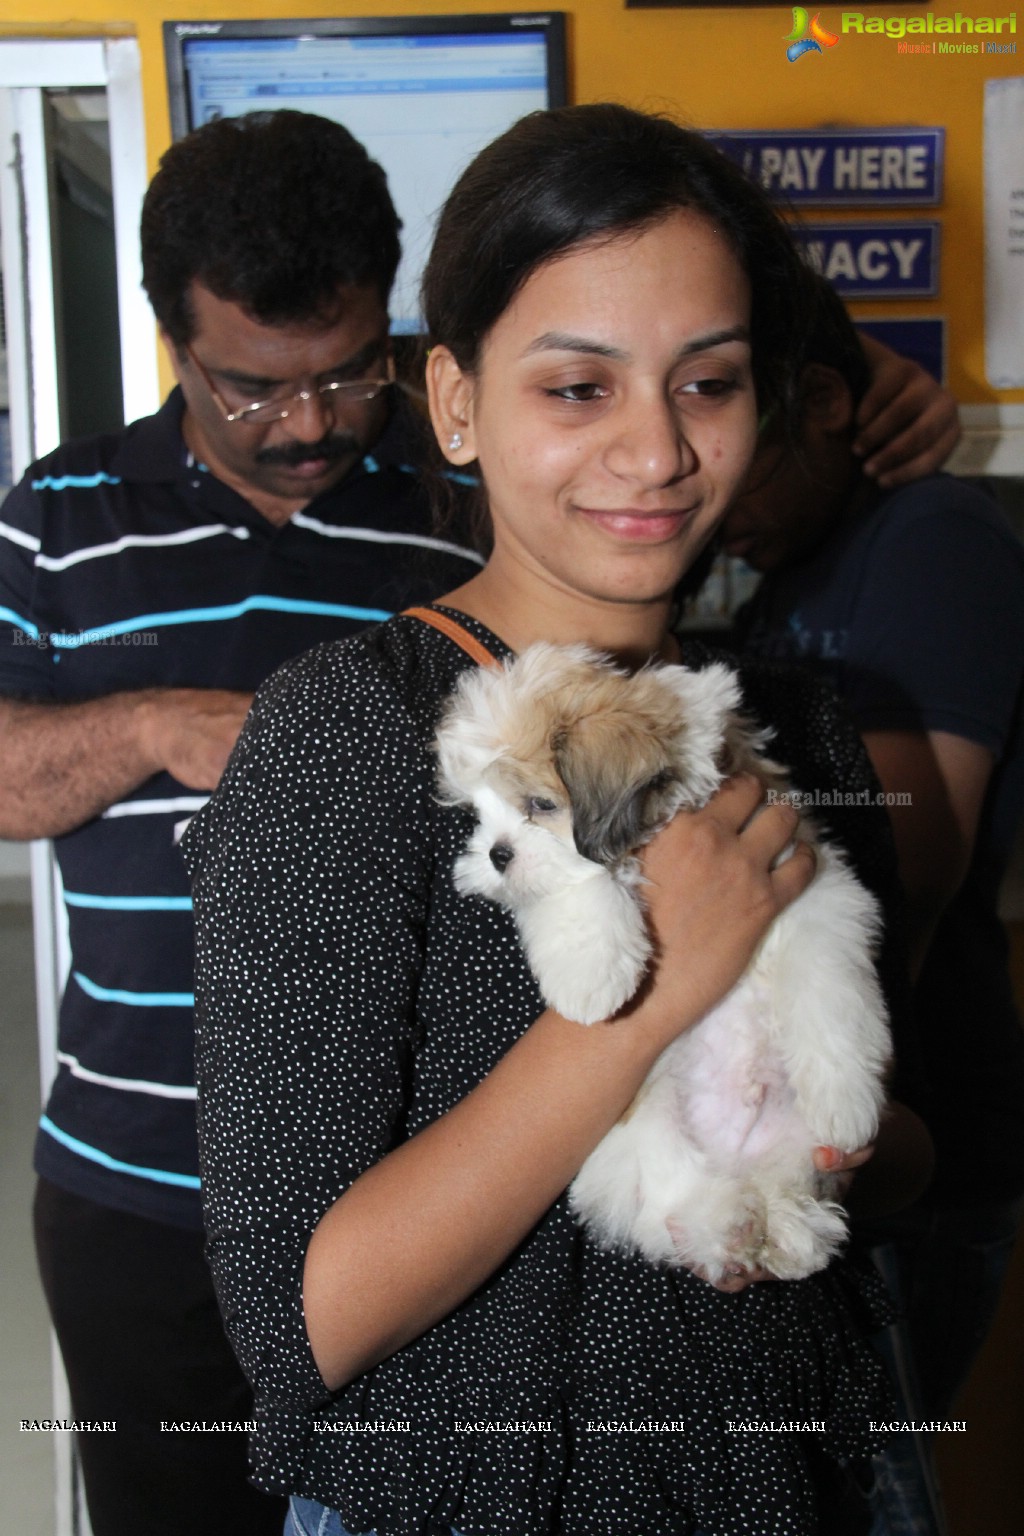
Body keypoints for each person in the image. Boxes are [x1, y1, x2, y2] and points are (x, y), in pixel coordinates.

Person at [184, 104, 937, 1536]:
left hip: (786, 1478)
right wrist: (654, 1000)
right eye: (578, 389)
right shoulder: (349, 738)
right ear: (456, 402)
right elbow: (301, 1324)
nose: (655, 452)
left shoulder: (808, 724)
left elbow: (915, 1143)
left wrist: (829, 1135)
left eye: (705, 384)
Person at [0, 110, 482, 1536]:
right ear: (174, 343)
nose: (314, 424)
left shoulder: (471, 499)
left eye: (348, 372)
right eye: (252, 390)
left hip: (412, 1184)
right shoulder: (60, 514)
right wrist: (156, 725)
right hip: (142, 1192)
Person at [724, 282, 1024, 1422]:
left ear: (821, 405)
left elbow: (923, 841)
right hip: (825, 1122)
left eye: (729, 415)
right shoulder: (792, 560)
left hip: (922, 1135)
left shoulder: (931, 533)